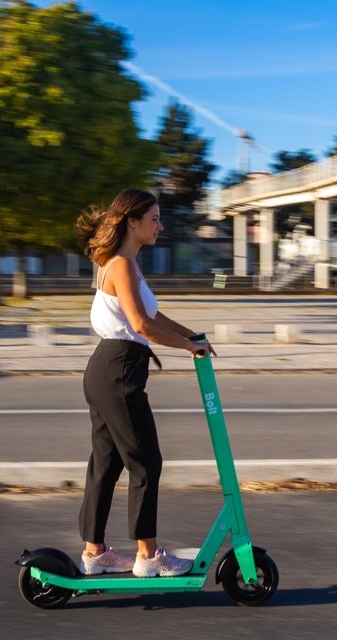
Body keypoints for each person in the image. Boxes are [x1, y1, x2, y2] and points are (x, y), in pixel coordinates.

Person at [74, 188, 214, 578]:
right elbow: (141, 325)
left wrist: (191, 336)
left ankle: (95, 552)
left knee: (106, 464)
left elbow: (151, 316)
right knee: (146, 462)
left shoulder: (122, 264)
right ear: (132, 221)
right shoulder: (120, 265)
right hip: (118, 370)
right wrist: (187, 346)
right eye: (154, 219)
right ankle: (148, 556)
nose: (160, 226)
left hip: (108, 369)